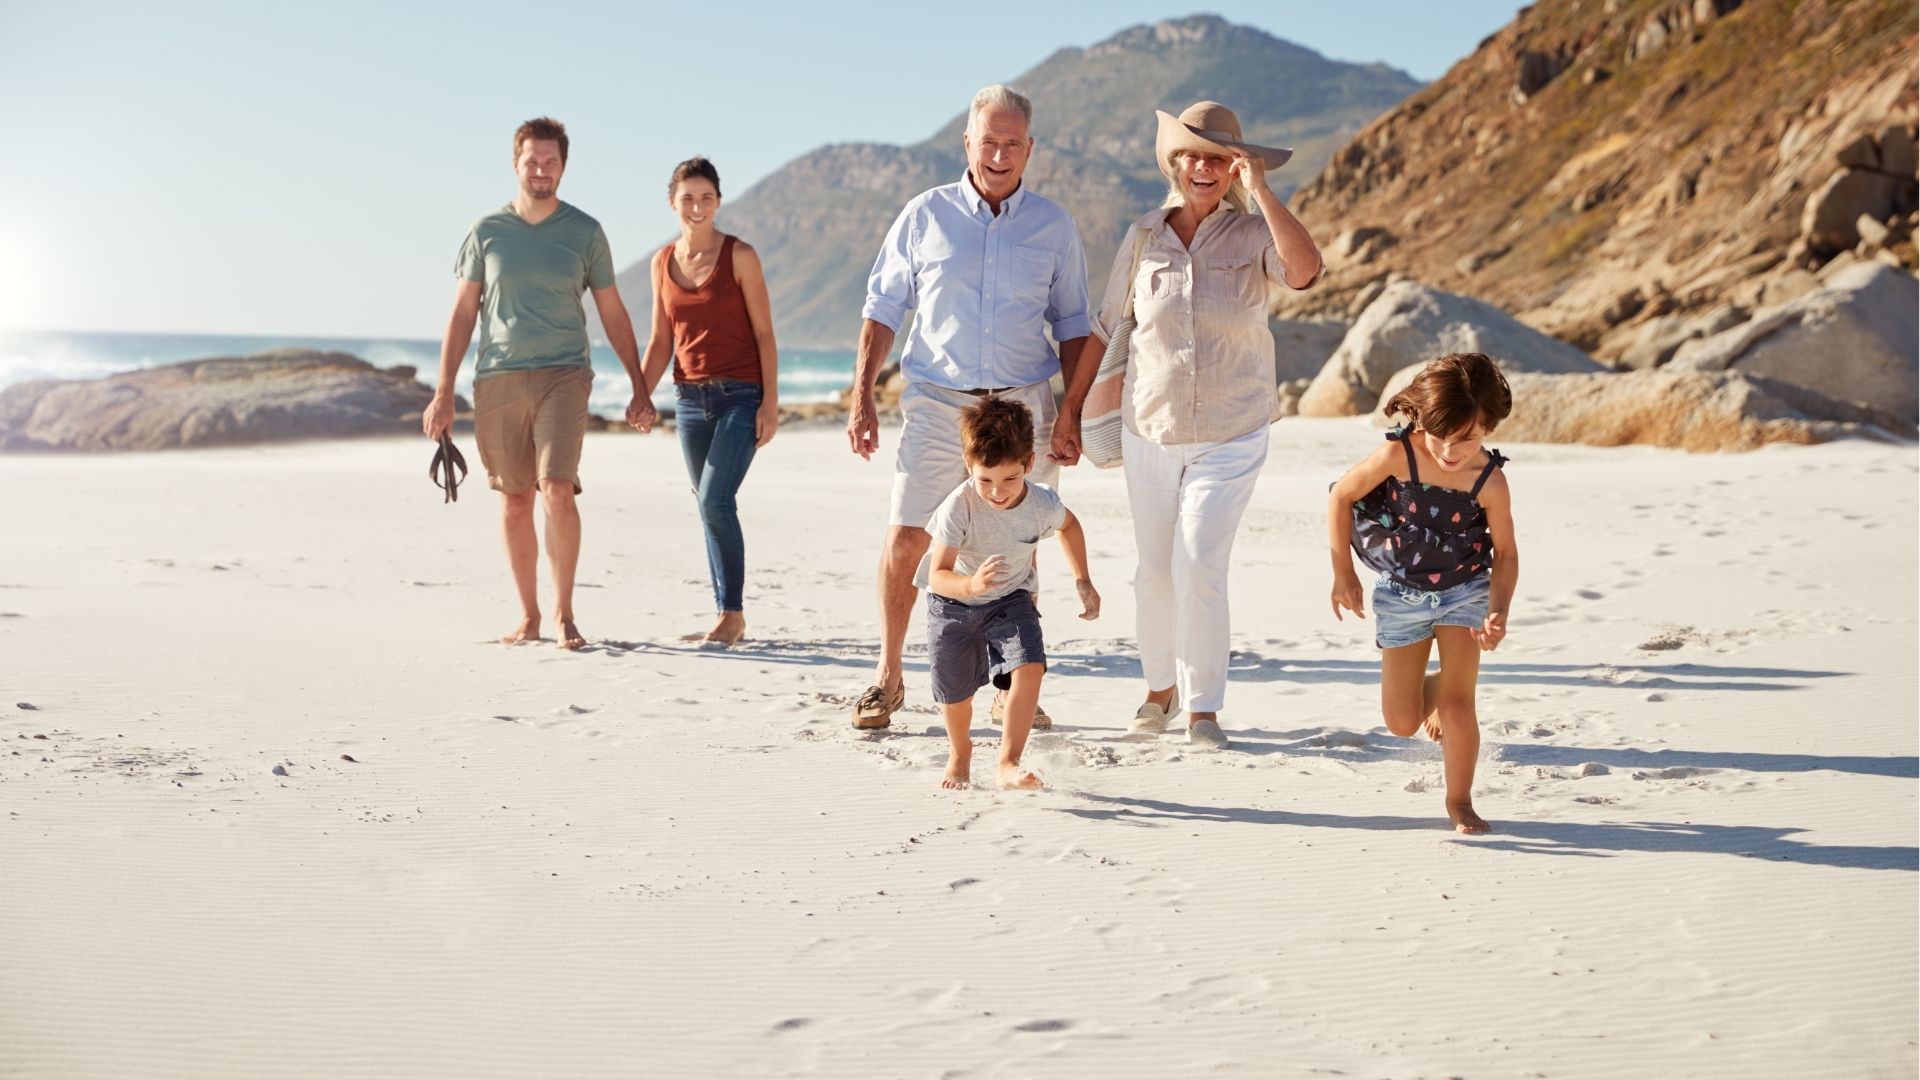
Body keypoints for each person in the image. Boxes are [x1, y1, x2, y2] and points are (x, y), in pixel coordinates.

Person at [1055, 101, 1323, 749]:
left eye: (1216, 158)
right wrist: (1070, 411)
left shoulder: (1255, 233)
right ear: (1174, 164)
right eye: (1189, 156)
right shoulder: (1145, 235)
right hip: (1152, 427)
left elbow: (1305, 271)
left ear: (1234, 167)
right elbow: (1105, 324)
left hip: (1233, 430)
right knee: (1153, 570)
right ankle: (1158, 691)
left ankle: (1203, 707)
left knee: (1199, 561)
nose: (1201, 168)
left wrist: (1263, 192)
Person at [847, 84, 1092, 731]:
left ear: (1030, 149)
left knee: (1021, 543)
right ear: (968, 143)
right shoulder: (923, 216)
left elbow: (1073, 326)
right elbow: (882, 311)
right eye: (990, 141)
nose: (1001, 154)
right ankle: (888, 677)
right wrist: (861, 397)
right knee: (908, 537)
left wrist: (1069, 416)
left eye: (1014, 143)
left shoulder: (1054, 225)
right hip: (937, 401)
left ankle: (1010, 686)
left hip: (1022, 403)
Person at [423, 117, 655, 650]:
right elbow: (462, 314)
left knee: (557, 489)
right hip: (498, 377)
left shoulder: (585, 232)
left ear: (563, 167)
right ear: (515, 163)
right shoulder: (487, 232)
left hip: (564, 373)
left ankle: (563, 614)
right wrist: (442, 391)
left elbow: (614, 313)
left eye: (551, 162)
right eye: (532, 160)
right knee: (515, 499)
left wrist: (640, 386)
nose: (541, 170)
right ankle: (527, 616)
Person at [1328, 352, 1518, 835]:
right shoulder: (1400, 454)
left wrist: (1498, 611)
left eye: (1468, 438)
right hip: (1401, 595)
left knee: (1458, 707)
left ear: (1489, 428)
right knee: (1400, 721)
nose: (1451, 451)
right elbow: (1341, 496)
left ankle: (1460, 800)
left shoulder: (1489, 481)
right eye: (1442, 436)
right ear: (1423, 419)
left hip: (1466, 592)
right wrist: (1343, 573)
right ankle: (1430, 689)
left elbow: (1507, 555)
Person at [919, 398, 1099, 790]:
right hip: (953, 604)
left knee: (1030, 667)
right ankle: (960, 752)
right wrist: (971, 585)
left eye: (1009, 480)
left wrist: (1081, 578)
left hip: (1011, 599)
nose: (997, 493)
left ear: (1029, 465)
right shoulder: (958, 507)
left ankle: (1007, 763)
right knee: (955, 694)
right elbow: (937, 575)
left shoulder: (1041, 503)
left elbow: (1069, 526)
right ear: (969, 467)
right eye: (985, 480)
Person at [639, 157, 780, 647]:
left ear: (718, 201)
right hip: (688, 400)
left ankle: (731, 614)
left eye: (706, 198)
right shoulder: (661, 263)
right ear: (672, 202)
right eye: (687, 198)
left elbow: (764, 334)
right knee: (707, 504)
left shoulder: (740, 256)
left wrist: (770, 404)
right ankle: (726, 610)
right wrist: (641, 393)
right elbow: (661, 341)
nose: (697, 207)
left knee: (717, 500)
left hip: (741, 395)